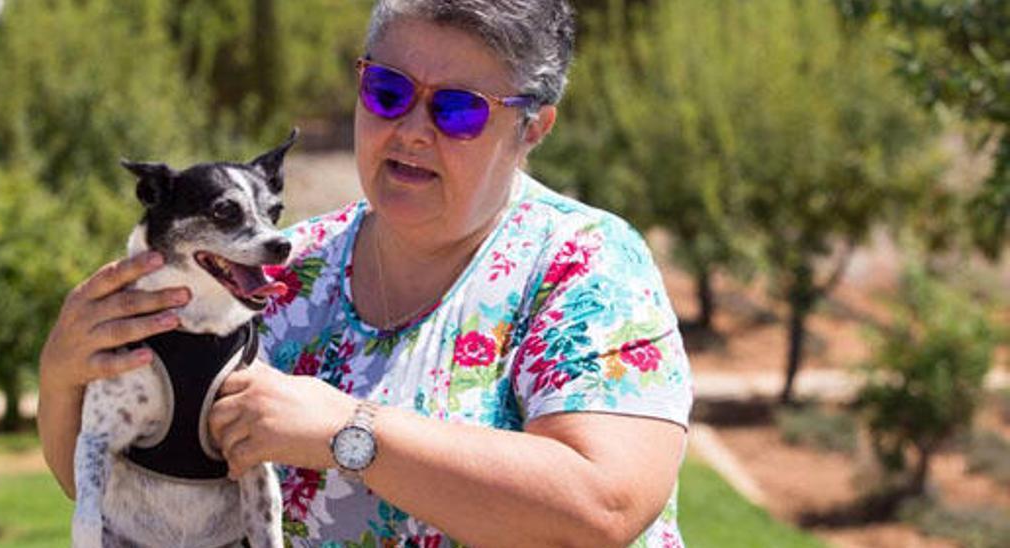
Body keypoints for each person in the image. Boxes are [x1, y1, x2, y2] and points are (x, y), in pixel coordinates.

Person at [38, 0, 693, 546]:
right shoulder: (265, 277)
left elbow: (603, 508)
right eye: (388, 91)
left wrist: (348, 433)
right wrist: (64, 373)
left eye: (457, 110)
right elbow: (133, 482)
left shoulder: (587, 266)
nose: (410, 129)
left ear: (532, 129)